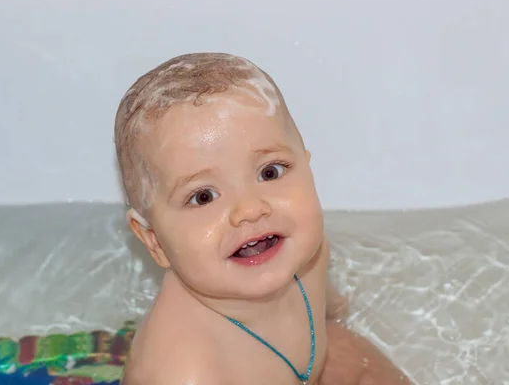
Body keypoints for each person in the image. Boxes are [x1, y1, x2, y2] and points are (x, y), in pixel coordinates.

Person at [114, 52, 410, 384]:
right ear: (155, 242)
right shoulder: (185, 371)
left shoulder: (306, 251)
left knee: (350, 352)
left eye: (270, 172)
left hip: (308, 366)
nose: (251, 210)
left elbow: (328, 310)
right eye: (203, 196)